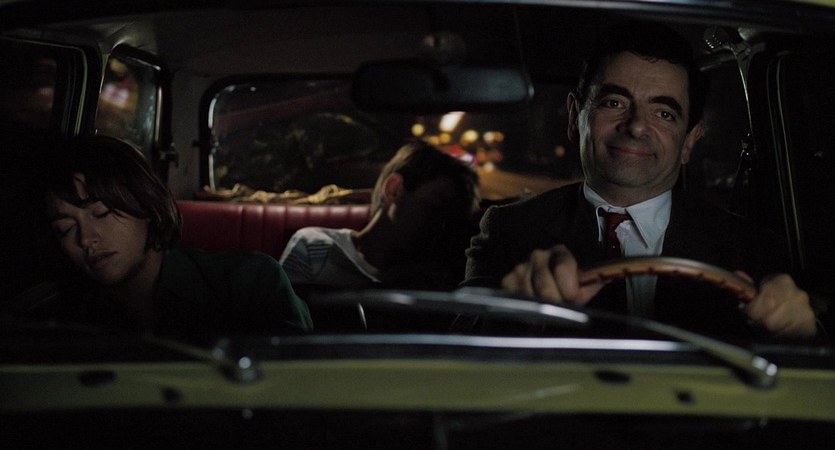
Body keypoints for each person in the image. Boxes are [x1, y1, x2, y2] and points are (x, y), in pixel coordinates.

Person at [463, 21, 825, 340]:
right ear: (575, 118)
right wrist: (516, 313)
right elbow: (460, 346)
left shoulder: (751, 247)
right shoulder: (510, 230)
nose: (636, 126)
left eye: (663, 113)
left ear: (689, 141)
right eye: (614, 103)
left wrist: (801, 331)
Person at [39, 135, 312, 342]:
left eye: (102, 213)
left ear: (146, 205)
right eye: (65, 229)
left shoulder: (249, 281)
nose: (86, 239)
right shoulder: (68, 316)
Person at [280, 139, 479, 291]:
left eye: (451, 217)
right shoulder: (315, 246)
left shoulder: (432, 277)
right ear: (394, 189)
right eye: (434, 206)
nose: (441, 224)